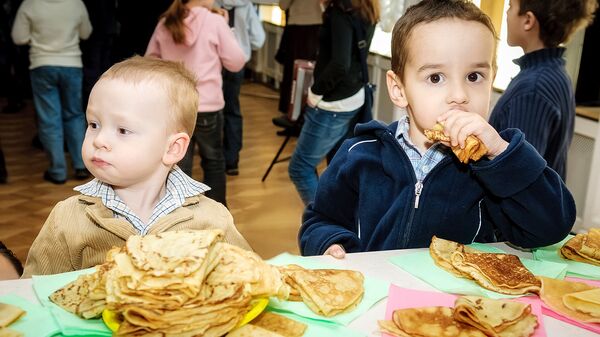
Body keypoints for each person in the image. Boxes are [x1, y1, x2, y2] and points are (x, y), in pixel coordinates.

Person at [299, 0, 576, 258]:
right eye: (435, 77)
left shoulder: (491, 169)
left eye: (474, 76)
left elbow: (551, 227)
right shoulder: (359, 154)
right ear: (399, 89)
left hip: (457, 307)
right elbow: (320, 220)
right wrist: (329, 242)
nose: (459, 94)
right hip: (375, 300)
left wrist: (502, 154)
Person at [21, 56, 251, 277]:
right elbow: (35, 294)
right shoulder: (67, 218)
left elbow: (248, 279)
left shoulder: (212, 220)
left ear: (172, 148)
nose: (99, 139)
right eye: (94, 124)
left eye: (122, 130)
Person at [146, 0, 246, 206]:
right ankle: (217, 212)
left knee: (179, 165)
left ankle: (181, 216)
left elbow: (150, 62)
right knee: (214, 160)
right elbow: (236, 63)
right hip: (207, 104)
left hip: (175, 105)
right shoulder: (215, 21)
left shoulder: (166, 22)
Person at [489, 0, 598, 181]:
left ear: (528, 20)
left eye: (510, 7)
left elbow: (518, 178)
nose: (507, 14)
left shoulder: (533, 89)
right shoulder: (555, 71)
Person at [288, 0, 379, 205]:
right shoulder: (367, 8)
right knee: (338, 170)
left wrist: (315, 92)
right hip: (353, 96)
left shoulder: (340, 10)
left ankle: (323, 224)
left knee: (299, 168)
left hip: (333, 104)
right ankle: (337, 226)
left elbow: (340, 64)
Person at [11, 0, 92, 184]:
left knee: (49, 119)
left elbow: (18, 37)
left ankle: (57, 171)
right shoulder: (76, 3)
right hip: (72, 64)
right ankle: (80, 165)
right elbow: (86, 33)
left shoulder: (30, 4)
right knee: (74, 115)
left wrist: (37, 38)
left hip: (42, 64)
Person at [216, 0, 265, 176]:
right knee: (232, 109)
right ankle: (232, 160)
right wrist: (243, 48)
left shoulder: (212, 4)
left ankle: (212, 156)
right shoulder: (247, 6)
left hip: (213, 63)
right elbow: (258, 40)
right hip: (237, 63)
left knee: (211, 110)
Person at [276, 0, 322, 115]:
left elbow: (283, 5)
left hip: (297, 28)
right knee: (309, 75)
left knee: (293, 75)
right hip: (317, 28)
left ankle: (292, 115)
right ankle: (305, 115)